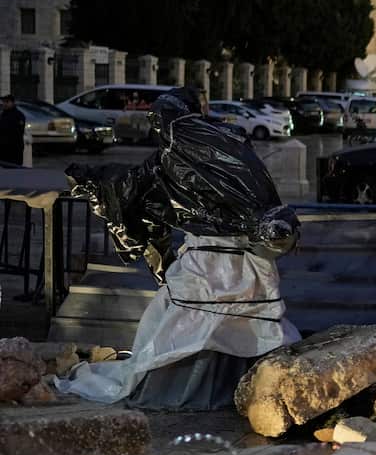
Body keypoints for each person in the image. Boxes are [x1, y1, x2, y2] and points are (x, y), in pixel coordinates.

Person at [59, 87, 300, 410]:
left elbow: (131, 186)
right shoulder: (227, 143)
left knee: (196, 321)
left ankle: (191, 390)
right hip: (238, 259)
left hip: (210, 259)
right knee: (229, 320)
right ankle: (243, 389)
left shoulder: (182, 154)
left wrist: (93, 181)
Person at [0, 94, 26, 166]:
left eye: (7, 102)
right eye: (3, 102)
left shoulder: (18, 115)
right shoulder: (3, 115)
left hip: (14, 149)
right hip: (3, 149)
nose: (4, 104)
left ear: (12, 103)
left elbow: (18, 132)